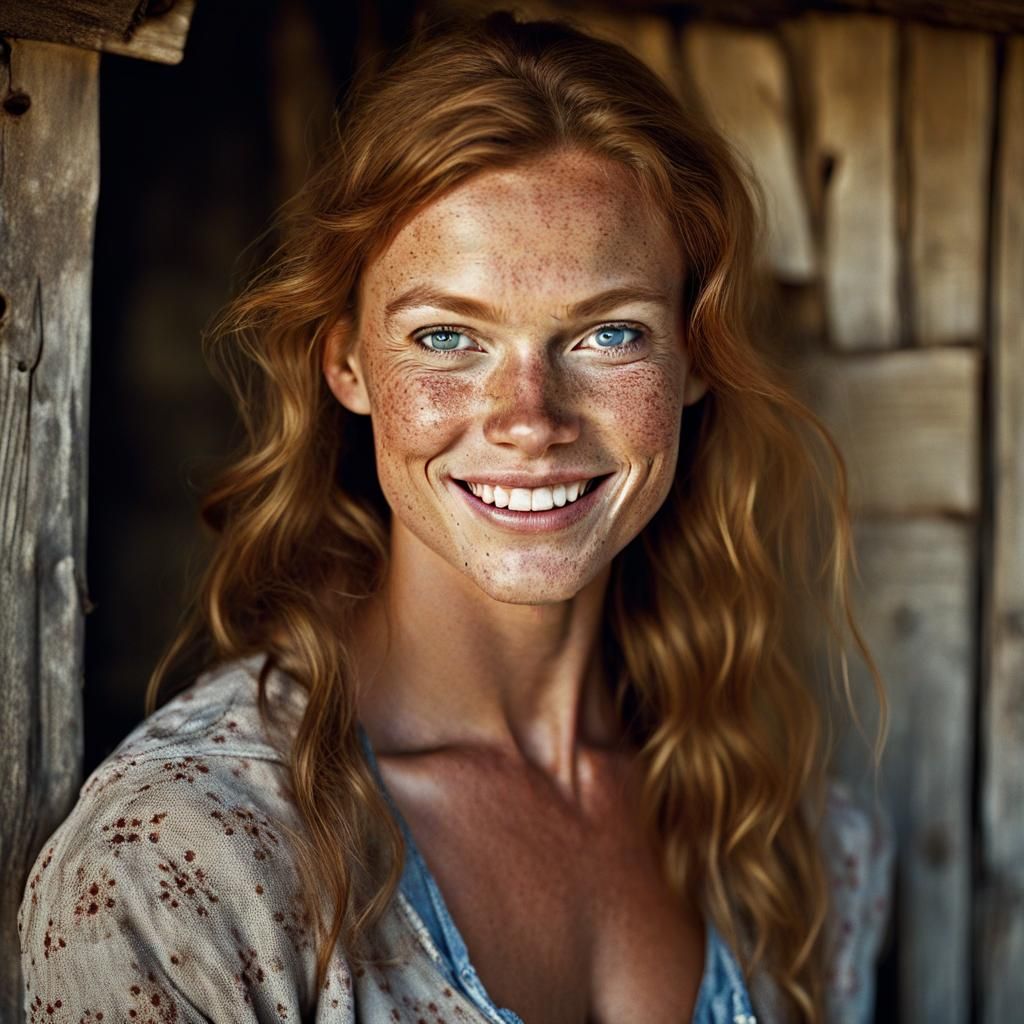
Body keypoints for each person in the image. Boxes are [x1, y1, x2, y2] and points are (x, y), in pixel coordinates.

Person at [19, 11, 892, 1024]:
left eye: (609, 332)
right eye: (446, 336)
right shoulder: (186, 859)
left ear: (692, 360)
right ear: (345, 363)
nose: (529, 419)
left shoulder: (791, 844)